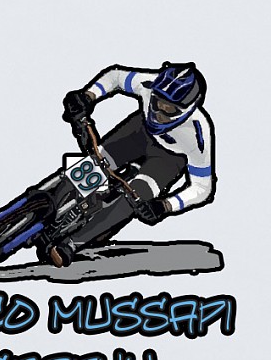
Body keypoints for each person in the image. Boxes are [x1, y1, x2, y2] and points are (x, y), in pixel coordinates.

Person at [59, 62, 214, 243]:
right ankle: (54, 199)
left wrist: (166, 205)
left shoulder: (198, 133)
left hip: (169, 158)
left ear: (189, 109)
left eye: (169, 109)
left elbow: (202, 187)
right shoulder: (149, 83)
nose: (159, 113)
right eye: (157, 102)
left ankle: (74, 243)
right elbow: (115, 76)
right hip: (139, 133)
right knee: (93, 167)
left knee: (134, 197)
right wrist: (88, 95)